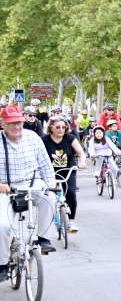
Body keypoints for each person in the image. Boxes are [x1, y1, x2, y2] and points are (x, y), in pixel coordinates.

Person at [0, 105, 58, 280]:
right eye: (11, 123)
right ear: (3, 124)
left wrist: (51, 184)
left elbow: (45, 165)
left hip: (32, 184)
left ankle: (43, 238)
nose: (16, 127)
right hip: (5, 189)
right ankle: (2, 264)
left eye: (18, 122)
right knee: (2, 226)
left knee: (50, 198)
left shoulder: (33, 138)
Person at [41, 116, 85, 233]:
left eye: (63, 127)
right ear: (51, 128)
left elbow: (80, 152)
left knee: (71, 193)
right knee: (48, 198)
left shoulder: (70, 138)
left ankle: (70, 221)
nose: (61, 129)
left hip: (68, 170)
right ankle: (50, 219)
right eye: (58, 127)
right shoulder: (44, 140)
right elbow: (37, 155)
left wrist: (82, 162)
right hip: (50, 172)